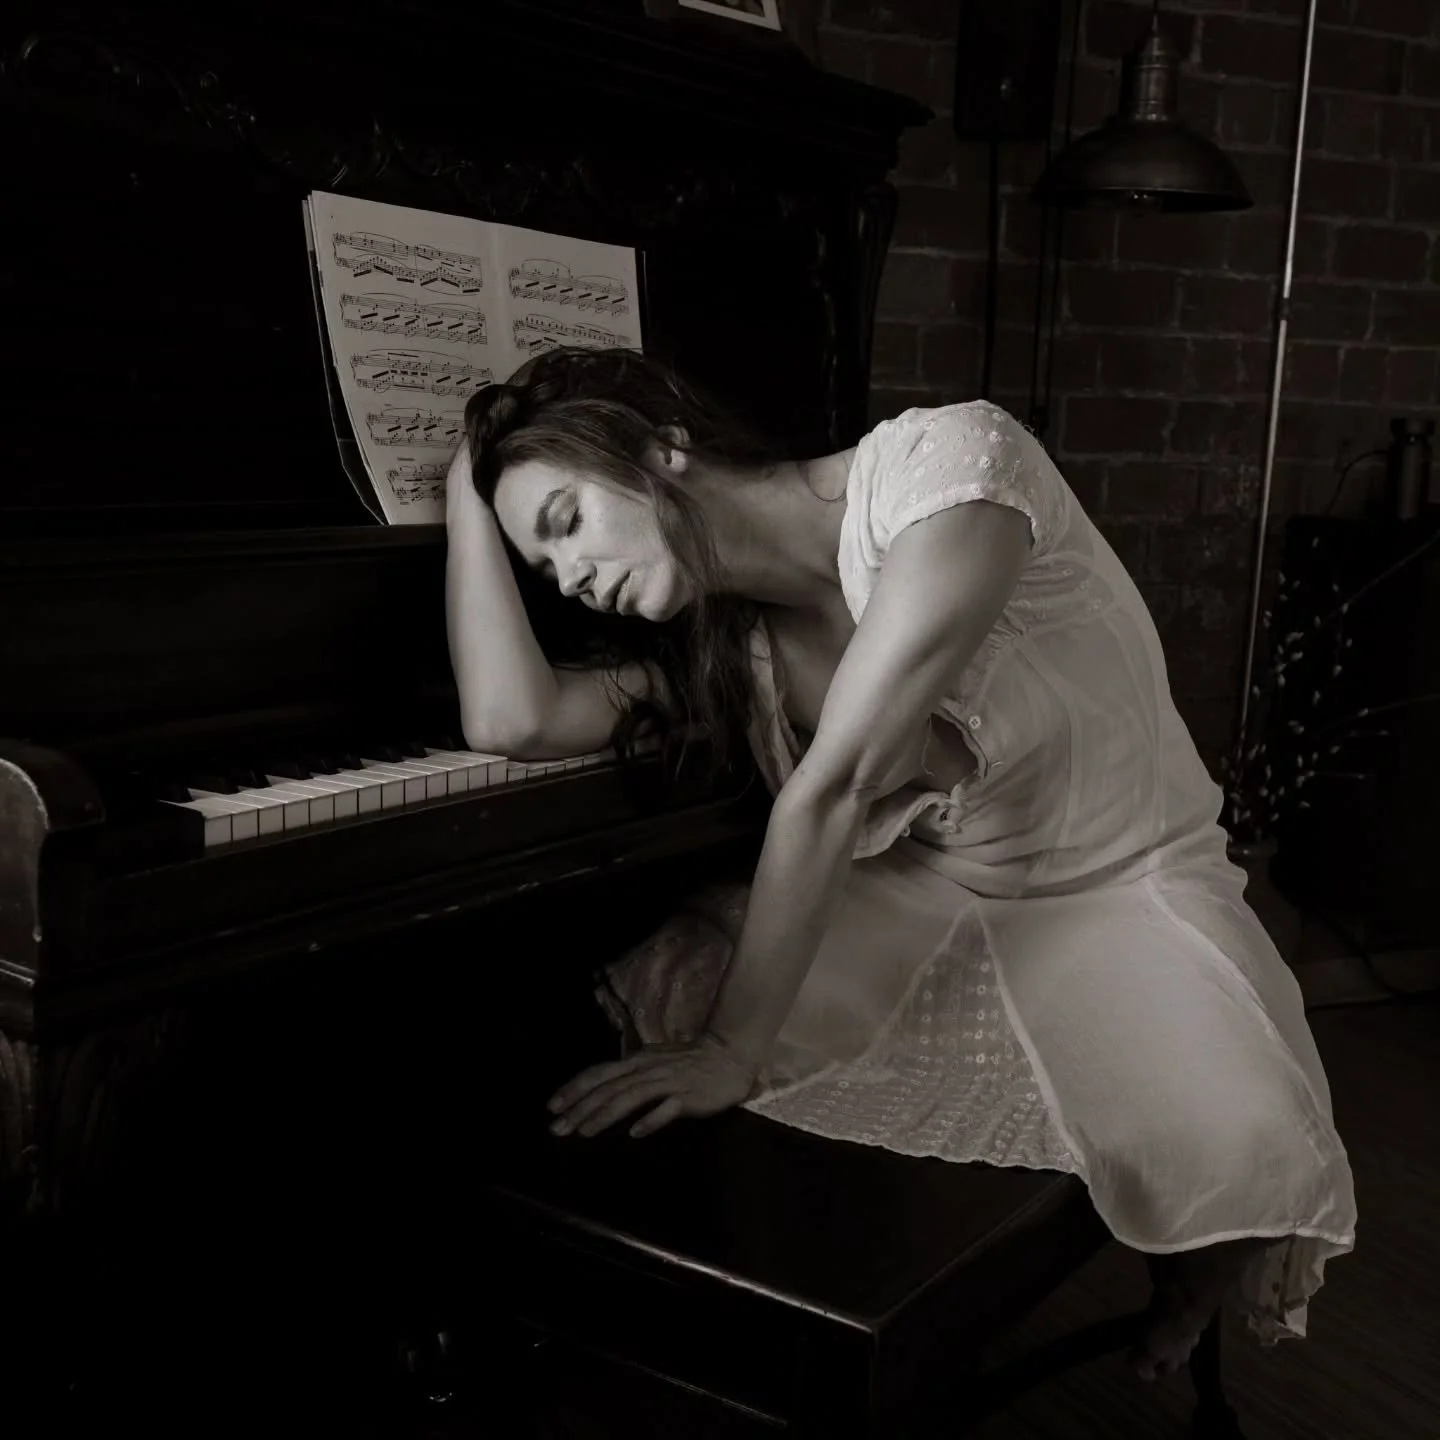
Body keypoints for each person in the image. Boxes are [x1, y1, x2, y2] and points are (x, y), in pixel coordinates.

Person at [445, 345, 1356, 1382]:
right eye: (545, 571)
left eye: (564, 524)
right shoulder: (734, 645)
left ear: (663, 451)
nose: (571, 581)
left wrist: (735, 1050)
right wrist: (471, 493)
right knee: (671, 990)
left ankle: (1187, 1289)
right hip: (941, 891)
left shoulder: (949, 472)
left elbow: (829, 790)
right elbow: (508, 716)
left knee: (1242, 1140)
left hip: (1127, 881)